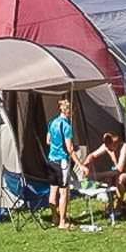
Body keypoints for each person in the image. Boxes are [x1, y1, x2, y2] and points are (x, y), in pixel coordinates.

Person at [45, 94, 81, 228]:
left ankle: (54, 217)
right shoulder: (66, 126)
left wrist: (56, 143)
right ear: (68, 111)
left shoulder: (52, 122)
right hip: (62, 162)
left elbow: (48, 141)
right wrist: (80, 165)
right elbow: (70, 148)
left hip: (51, 160)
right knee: (64, 192)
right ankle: (62, 222)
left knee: (52, 191)